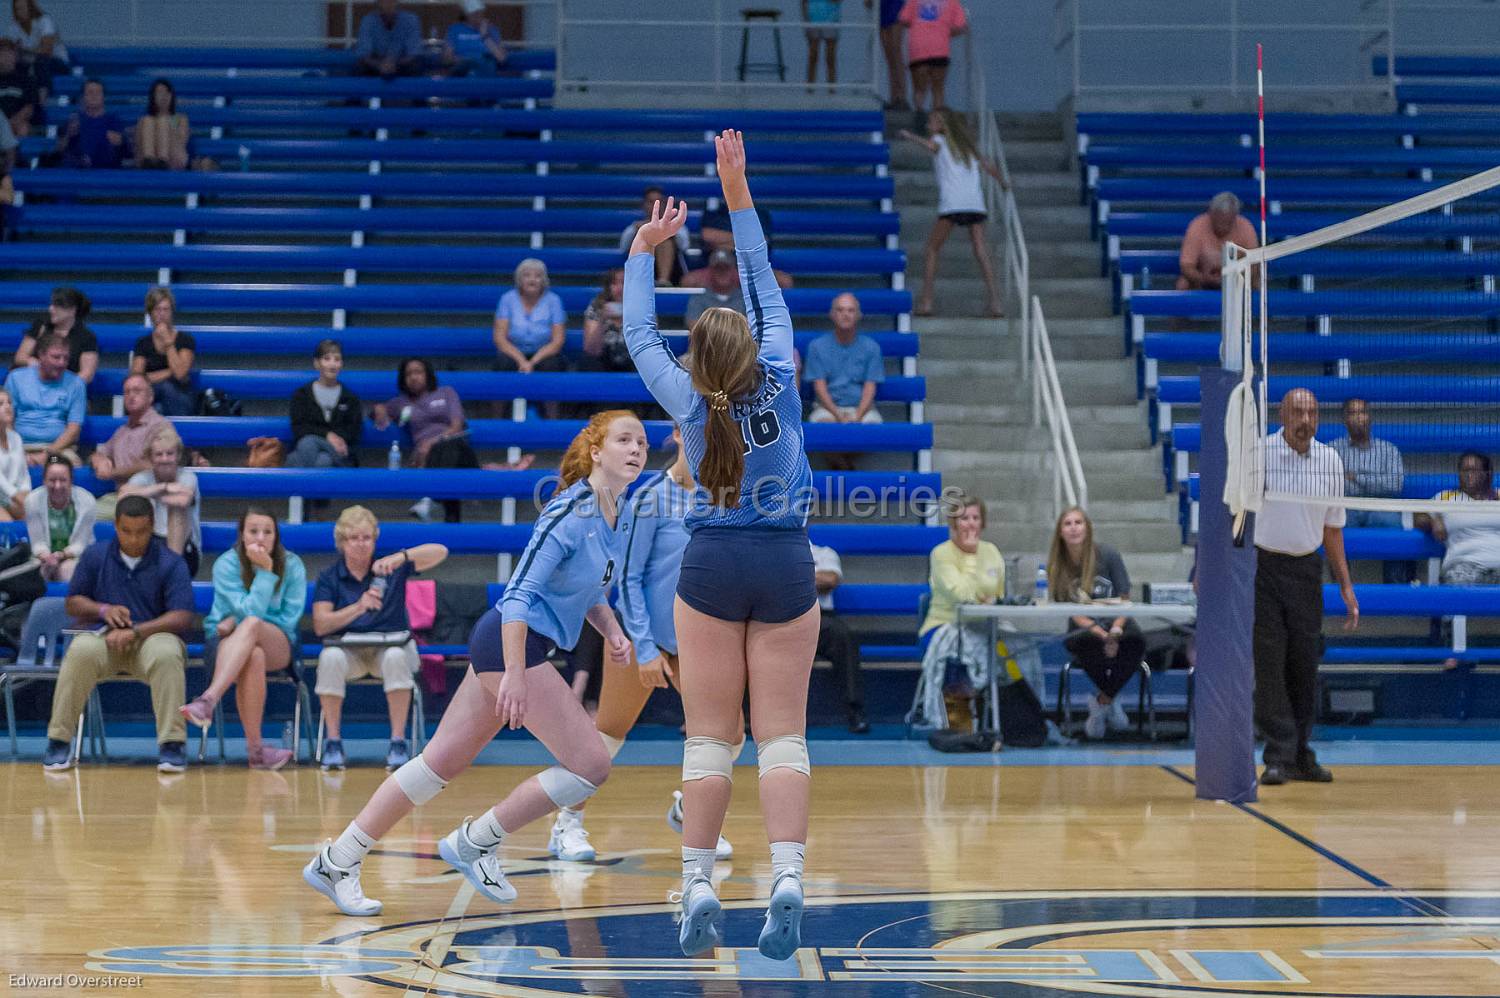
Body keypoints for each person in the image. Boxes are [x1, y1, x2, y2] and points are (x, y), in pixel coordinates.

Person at [301, 415, 638, 917]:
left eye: (641, 442)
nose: (636, 449)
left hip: (516, 646)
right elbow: (519, 594)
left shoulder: (620, 512)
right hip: (510, 642)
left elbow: (587, 588)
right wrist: (517, 674)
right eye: (624, 440)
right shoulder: (568, 512)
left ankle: (337, 859)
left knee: (437, 764)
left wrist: (611, 630)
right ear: (595, 452)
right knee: (591, 765)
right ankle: (478, 839)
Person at [624, 130, 818, 961]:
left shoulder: (688, 404)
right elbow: (763, 275)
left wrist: (644, 251)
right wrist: (736, 189)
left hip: (709, 565)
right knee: (783, 736)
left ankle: (698, 881)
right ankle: (787, 875)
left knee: (709, 737)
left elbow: (638, 336)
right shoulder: (780, 365)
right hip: (784, 562)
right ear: (750, 345)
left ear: (699, 359)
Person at [548, 425, 738, 863]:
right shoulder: (650, 498)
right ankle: (567, 824)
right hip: (644, 633)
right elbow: (628, 578)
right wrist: (646, 648)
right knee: (608, 737)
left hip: (700, 639)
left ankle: (692, 812)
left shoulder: (724, 498)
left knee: (729, 735)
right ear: (676, 435)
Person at [39, 495, 194, 774]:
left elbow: (182, 616)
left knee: (167, 652)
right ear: (115, 526)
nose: (134, 539)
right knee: (80, 651)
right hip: (104, 639)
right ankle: (59, 741)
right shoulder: (95, 555)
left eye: (142, 532)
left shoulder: (171, 563)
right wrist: (102, 610)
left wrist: (136, 631)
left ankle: (172, 745)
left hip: (151, 638)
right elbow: (73, 601)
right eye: (126, 531)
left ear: (153, 527)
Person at [1254, 388, 1358, 786]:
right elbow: (1236, 516)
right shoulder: (1259, 455)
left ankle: (1301, 753)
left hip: (1306, 571)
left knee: (1304, 663)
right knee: (1270, 665)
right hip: (1263, 568)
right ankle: (1277, 756)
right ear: (1283, 414)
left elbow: (1333, 529)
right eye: (1298, 411)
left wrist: (1346, 585)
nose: (1306, 420)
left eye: (1313, 412)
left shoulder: (1330, 460)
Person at [311, 505, 448, 771]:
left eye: (367, 538)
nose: (361, 544)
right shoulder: (330, 576)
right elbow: (321, 624)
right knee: (329, 657)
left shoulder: (390, 567)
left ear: (375, 539)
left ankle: (398, 741)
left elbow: (441, 552)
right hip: (350, 652)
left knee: (397, 656)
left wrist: (401, 556)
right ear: (342, 542)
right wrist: (358, 607)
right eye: (354, 538)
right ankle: (333, 741)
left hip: (389, 649)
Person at [180, 508, 307, 771]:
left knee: (252, 625)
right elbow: (243, 613)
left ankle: (208, 700)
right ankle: (257, 752)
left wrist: (265, 572)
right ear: (241, 535)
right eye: (253, 531)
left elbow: (286, 619)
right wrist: (243, 622)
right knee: (253, 654)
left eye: (267, 532)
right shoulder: (226, 563)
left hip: (279, 643)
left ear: (276, 536)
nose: (260, 537)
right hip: (227, 645)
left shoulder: (292, 564)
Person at [1047, 506, 1143, 740]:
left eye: (1078, 522)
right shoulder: (1058, 565)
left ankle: (1101, 702)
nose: (1073, 528)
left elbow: (1125, 599)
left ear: (1087, 528)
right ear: (1060, 532)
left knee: (1137, 642)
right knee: (1083, 644)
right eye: (1067, 523)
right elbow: (1072, 612)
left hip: (1117, 620)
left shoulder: (1108, 554)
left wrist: (1116, 630)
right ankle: (1110, 701)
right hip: (1085, 626)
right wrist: (1103, 635)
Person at [899, 110, 1005, 318]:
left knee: (932, 249)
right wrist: (1003, 183)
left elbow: (931, 146)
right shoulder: (967, 147)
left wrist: (910, 136)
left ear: (941, 125)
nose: (928, 124)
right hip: (975, 203)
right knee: (980, 250)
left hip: (953, 203)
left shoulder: (938, 139)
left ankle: (927, 302)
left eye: (932, 121)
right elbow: (988, 167)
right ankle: (995, 302)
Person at [916, 494, 1004, 731]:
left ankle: (1004, 716)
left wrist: (987, 599)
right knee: (959, 650)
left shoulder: (992, 551)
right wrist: (973, 561)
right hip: (942, 625)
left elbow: (998, 595)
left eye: (976, 517)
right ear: (954, 523)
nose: (971, 523)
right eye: (965, 518)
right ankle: (957, 722)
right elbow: (961, 594)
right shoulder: (941, 554)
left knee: (1016, 651)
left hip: (984, 626)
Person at [371, 357, 480, 523]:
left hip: (458, 449)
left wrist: (432, 442)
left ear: (427, 374)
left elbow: (457, 426)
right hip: (430, 458)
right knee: (447, 467)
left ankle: (431, 500)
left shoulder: (446, 392)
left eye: (418, 372)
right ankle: (447, 516)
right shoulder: (400, 403)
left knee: (450, 446)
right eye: (408, 374)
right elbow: (380, 412)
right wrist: (378, 409)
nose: (413, 377)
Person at [1329, 397, 1409, 585]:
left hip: (1381, 506)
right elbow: (1332, 483)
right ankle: (1340, 585)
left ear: (1370, 417)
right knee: (1332, 526)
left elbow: (1395, 484)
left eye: (1362, 412)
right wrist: (1376, 481)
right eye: (1352, 413)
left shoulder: (1388, 450)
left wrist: (1357, 477)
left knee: (1392, 525)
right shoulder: (1333, 449)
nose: (1358, 417)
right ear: (1344, 420)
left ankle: (1395, 586)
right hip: (1346, 507)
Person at [804, 293, 885, 470]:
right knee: (823, 427)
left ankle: (839, 462)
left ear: (858, 315)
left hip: (862, 408)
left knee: (873, 429)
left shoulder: (871, 347)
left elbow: (870, 387)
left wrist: (858, 415)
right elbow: (819, 387)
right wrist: (838, 415)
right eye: (840, 310)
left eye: (850, 310)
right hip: (826, 408)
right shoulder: (817, 346)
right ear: (832, 314)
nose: (845, 314)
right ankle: (845, 466)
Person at [120, 426, 202, 576]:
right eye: (159, 454)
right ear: (151, 458)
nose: (164, 459)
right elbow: (122, 497)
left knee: (176, 509)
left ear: (178, 456)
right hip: (150, 542)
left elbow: (182, 500)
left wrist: (145, 493)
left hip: (185, 551)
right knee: (129, 513)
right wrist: (163, 488)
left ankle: (171, 571)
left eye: (169, 454)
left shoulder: (187, 476)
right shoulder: (143, 478)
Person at [1415, 451, 1500, 585]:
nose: (1468, 475)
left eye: (1473, 470)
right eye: (1464, 470)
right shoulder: (1445, 497)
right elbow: (1419, 518)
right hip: (1463, 566)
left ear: (1487, 473)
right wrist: (1433, 520)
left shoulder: (1498, 496)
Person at [811, 540, 869, 733]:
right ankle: (752, 718)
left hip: (820, 618)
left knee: (845, 636)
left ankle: (855, 710)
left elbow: (830, 580)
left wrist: (788, 576)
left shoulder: (823, 552)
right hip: (781, 617)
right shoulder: (772, 550)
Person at [89, 374, 165, 518]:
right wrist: (99, 460)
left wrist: (114, 472)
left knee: (87, 516)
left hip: (148, 498)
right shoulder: (122, 431)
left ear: (150, 397)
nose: (131, 396)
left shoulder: (160, 427)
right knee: (82, 513)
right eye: (127, 392)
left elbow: (153, 465)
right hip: (120, 496)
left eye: (137, 391)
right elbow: (100, 452)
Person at [4, 333, 83, 466]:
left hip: (57, 453)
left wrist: (47, 454)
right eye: (56, 357)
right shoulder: (16, 378)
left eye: (66, 358)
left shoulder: (76, 383)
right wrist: (16, 450)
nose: (61, 363)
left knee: (65, 465)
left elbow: (73, 429)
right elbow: (6, 420)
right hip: (20, 448)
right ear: (41, 355)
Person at [286, 339, 362, 469]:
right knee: (322, 459)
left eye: (337, 359)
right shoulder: (302, 395)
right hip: (314, 453)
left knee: (299, 453)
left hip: (341, 454)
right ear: (317, 363)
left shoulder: (351, 398)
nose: (332, 364)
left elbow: (353, 432)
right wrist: (327, 435)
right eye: (327, 359)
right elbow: (299, 428)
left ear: (341, 364)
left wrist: (333, 439)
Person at [492, 258, 568, 382]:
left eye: (538, 276)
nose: (532, 280)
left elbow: (558, 341)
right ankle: (497, 402)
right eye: (527, 275)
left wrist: (532, 362)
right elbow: (500, 339)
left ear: (544, 281)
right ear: (519, 280)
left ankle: (551, 402)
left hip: (544, 353)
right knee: (503, 363)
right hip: (513, 352)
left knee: (551, 365)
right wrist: (521, 361)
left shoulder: (554, 301)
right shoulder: (507, 299)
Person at [25, 453, 92, 581]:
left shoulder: (87, 501)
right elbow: (37, 542)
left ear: (71, 480)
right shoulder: (32, 500)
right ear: (44, 480)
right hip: (43, 557)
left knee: (68, 571)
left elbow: (81, 543)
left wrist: (62, 555)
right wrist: (46, 556)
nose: (57, 486)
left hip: (75, 556)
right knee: (36, 574)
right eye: (52, 480)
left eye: (63, 480)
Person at [132, 287, 197, 417]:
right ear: (150, 313)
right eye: (157, 309)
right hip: (152, 397)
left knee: (166, 389)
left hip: (180, 397)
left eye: (165, 309)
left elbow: (180, 374)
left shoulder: (185, 340)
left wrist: (168, 342)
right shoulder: (143, 343)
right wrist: (169, 372)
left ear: (172, 312)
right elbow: (137, 378)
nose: (161, 314)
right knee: (155, 403)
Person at [1177, 192, 1259, 292]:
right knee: (1183, 284)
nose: (1222, 227)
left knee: (1257, 283)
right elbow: (1186, 266)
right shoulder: (1197, 226)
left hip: (1238, 280)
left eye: (1227, 222)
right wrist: (1203, 279)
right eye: (1219, 221)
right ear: (1211, 214)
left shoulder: (1246, 227)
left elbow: (1254, 263)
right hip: (1202, 279)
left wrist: (1238, 279)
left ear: (1235, 217)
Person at [15, 286, 98, 383]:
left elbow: (87, 374)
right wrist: (39, 365)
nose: (51, 309)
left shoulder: (87, 337)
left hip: (66, 388)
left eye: (57, 306)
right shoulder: (40, 327)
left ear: (72, 310)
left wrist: (63, 387)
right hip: (33, 383)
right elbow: (20, 357)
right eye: (51, 305)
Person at [899, 0, 967, 114]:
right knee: (938, 90)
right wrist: (945, 33)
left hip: (918, 48)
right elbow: (961, 26)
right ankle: (938, 122)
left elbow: (904, 19)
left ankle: (919, 119)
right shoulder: (952, 2)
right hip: (940, 48)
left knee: (919, 90)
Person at [619, 185, 689, 286]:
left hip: (673, 273)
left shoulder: (675, 224)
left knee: (664, 241)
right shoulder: (636, 226)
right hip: (642, 271)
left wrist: (666, 231)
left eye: (659, 202)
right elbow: (623, 247)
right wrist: (640, 231)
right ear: (644, 205)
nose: (656, 205)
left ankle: (663, 281)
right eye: (651, 202)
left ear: (665, 204)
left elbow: (685, 246)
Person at [56, 77, 123, 169]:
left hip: (106, 169)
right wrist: (68, 134)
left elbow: (122, 147)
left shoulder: (113, 119)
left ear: (104, 97)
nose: (94, 96)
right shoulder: (74, 120)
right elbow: (60, 149)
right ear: (83, 97)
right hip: (76, 170)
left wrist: (119, 141)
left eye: (98, 93)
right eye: (90, 92)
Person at [578, 268, 634, 374]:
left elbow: (649, 347)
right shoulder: (597, 306)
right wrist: (602, 320)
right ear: (608, 287)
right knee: (588, 361)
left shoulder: (644, 307)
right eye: (614, 283)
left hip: (633, 358)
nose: (619, 288)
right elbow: (591, 349)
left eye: (624, 282)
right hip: (604, 357)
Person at [5, 0, 65, 95]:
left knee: (41, 61)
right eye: (18, 9)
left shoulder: (45, 21)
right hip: (29, 62)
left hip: (56, 62)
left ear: (31, 7)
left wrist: (25, 51)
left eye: (23, 8)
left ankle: (43, 95)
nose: (21, 11)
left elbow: (47, 50)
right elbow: (13, 52)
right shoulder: (13, 27)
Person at [353, 0, 422, 78]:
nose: (388, 4)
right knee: (359, 67)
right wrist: (379, 65)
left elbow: (414, 54)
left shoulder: (411, 20)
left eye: (392, 1)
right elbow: (363, 55)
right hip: (375, 67)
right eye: (384, 1)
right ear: (377, 3)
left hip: (403, 66)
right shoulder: (368, 21)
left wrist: (394, 64)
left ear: (397, 2)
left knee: (416, 66)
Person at [682, 250, 749, 327]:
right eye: (718, 268)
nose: (722, 272)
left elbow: (750, 327)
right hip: (707, 339)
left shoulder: (745, 299)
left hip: (739, 339)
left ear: (733, 271)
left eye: (726, 268)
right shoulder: (699, 298)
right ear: (710, 271)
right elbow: (693, 325)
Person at [134, 78, 189, 171]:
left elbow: (182, 141)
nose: (164, 96)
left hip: (174, 158)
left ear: (171, 96)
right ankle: (149, 162)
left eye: (167, 92)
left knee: (163, 121)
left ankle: (162, 161)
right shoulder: (144, 120)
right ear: (153, 96)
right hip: (147, 158)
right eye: (159, 92)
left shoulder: (178, 118)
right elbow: (138, 145)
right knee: (148, 121)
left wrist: (165, 124)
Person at [445, 0, 507, 72]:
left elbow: (502, 58)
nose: (478, 15)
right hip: (463, 68)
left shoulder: (491, 29)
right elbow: (447, 59)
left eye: (480, 12)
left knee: (485, 64)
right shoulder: (455, 29)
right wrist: (463, 59)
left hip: (485, 68)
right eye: (474, 13)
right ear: (467, 15)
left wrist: (485, 36)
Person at [872, 0, 908, 110]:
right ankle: (893, 97)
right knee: (889, 57)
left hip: (895, 7)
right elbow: (867, 3)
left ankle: (902, 96)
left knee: (896, 52)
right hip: (882, 10)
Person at [0, 387, 28, 520]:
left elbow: (24, 475)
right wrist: (17, 497)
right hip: (8, 496)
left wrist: (26, 493)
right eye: (1, 404)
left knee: (35, 518)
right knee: (8, 525)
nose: (7, 407)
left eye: (9, 403)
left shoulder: (16, 437)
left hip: (10, 499)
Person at [0, 38, 35, 141]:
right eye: (3, 53)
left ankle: (14, 156)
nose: (7, 57)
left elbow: (29, 108)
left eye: (10, 53)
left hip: (15, 122)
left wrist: (8, 124)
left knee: (23, 128)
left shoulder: (26, 79)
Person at [803, 0, 842, 88]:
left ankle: (832, 90)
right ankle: (810, 90)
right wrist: (806, 22)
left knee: (830, 58)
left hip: (831, 20)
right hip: (812, 21)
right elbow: (804, 2)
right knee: (812, 57)